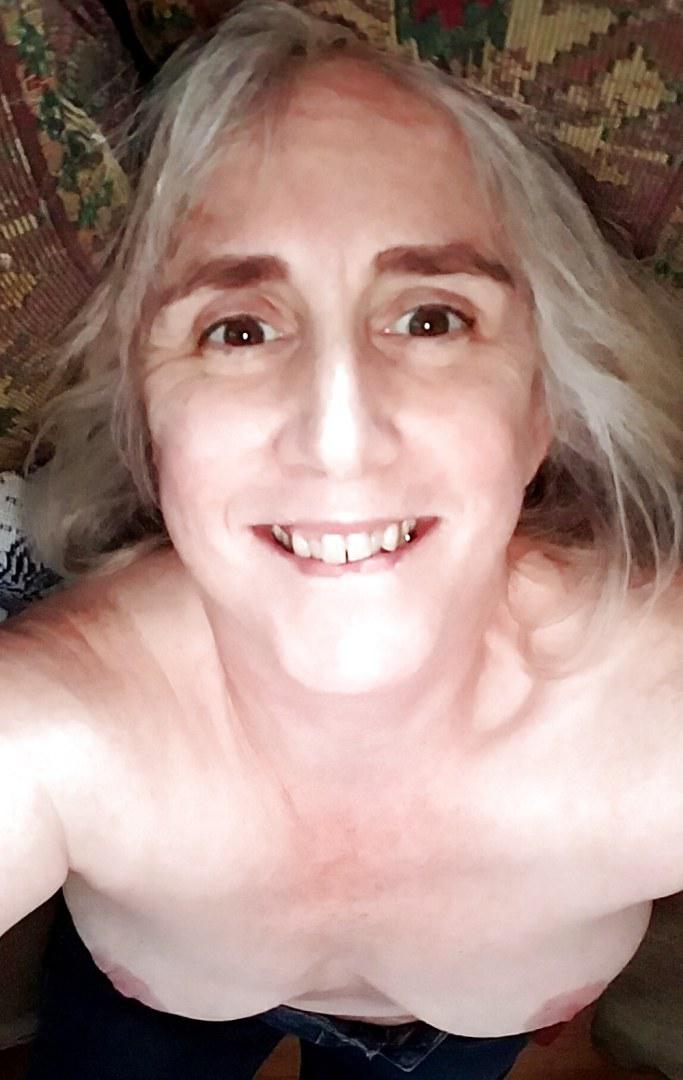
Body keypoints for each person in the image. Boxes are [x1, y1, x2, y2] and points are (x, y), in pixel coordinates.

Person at [2, 0, 681, 1076]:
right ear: (148, 420)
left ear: (542, 404)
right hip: (156, 1024)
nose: (338, 440)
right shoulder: (54, 733)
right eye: (236, 330)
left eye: (431, 317)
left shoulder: (659, 715)